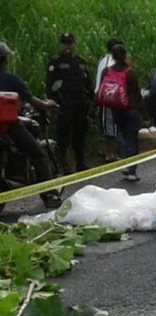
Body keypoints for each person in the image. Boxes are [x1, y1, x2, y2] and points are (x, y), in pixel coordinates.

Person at [0, 42, 61, 206]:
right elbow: (32, 100)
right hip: (9, 126)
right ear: (5, 59)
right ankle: (50, 195)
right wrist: (48, 104)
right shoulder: (11, 79)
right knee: (38, 153)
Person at [95, 44, 145, 182]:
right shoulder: (130, 73)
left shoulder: (107, 70)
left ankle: (125, 164)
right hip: (131, 110)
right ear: (124, 55)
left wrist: (93, 108)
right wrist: (145, 115)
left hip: (116, 109)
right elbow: (137, 96)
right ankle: (132, 170)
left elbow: (100, 90)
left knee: (123, 136)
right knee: (132, 139)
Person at [46, 33, 92, 173]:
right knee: (63, 135)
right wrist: (53, 102)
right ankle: (63, 164)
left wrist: (92, 102)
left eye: (70, 43)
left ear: (74, 44)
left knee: (80, 133)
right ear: (61, 45)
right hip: (65, 104)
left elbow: (87, 84)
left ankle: (80, 162)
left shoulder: (80, 62)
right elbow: (50, 85)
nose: (68, 46)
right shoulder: (56, 63)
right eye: (65, 43)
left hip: (80, 103)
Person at [95, 38, 122, 163]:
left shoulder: (104, 60)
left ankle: (111, 151)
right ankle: (110, 153)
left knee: (111, 126)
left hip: (108, 97)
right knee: (110, 127)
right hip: (108, 98)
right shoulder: (109, 62)